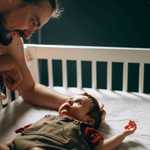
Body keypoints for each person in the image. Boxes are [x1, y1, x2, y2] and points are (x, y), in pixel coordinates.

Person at [0, 92, 137, 150]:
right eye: (69, 100)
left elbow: (102, 148)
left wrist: (124, 133)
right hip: (15, 145)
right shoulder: (48, 117)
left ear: (89, 120)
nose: (69, 102)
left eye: (77, 102)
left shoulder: (85, 129)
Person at [0, 0, 68, 110]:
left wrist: (71, 102)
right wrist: (9, 63)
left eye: (36, 28)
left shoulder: (11, 38)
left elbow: (29, 89)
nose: (27, 35)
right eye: (33, 21)